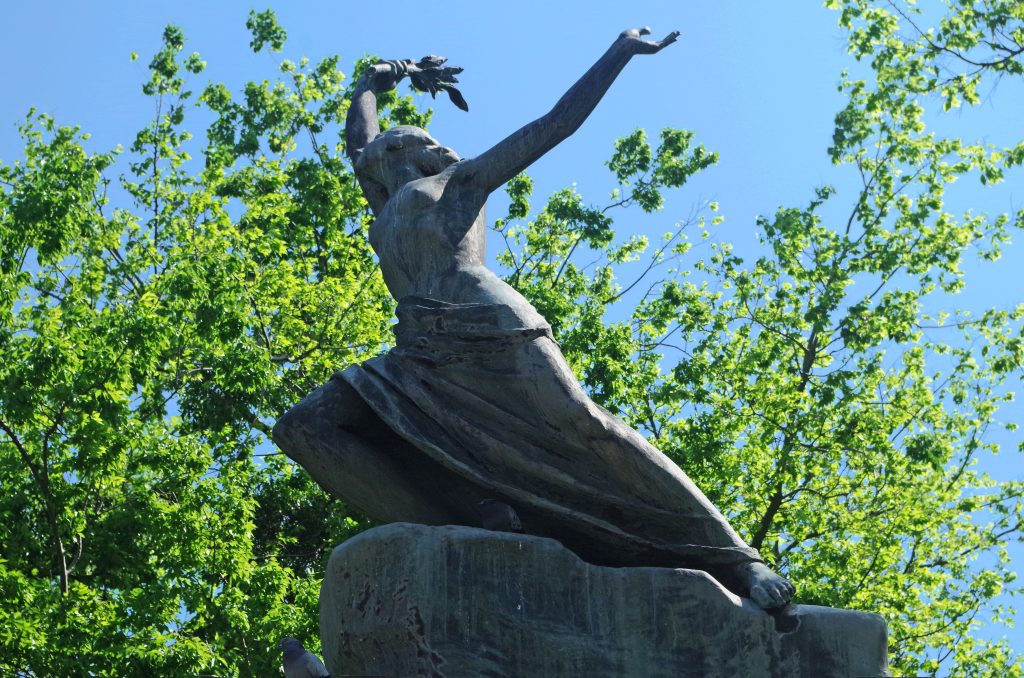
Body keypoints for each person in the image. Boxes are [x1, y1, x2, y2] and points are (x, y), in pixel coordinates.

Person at [273, 28, 795, 610]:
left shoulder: (457, 182)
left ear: (419, 151)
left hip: (490, 328)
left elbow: (557, 122)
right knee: (305, 428)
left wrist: (619, 51)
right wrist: (372, 81)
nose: (376, 156)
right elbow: (360, 143)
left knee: (586, 428)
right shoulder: (386, 204)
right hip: (419, 351)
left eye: (400, 143)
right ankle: (466, 536)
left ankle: (739, 560)